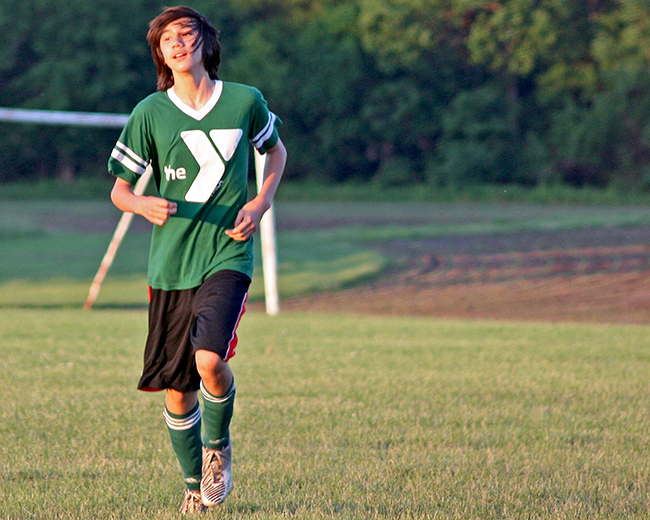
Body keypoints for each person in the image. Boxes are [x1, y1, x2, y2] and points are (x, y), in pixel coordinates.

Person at [108, 6, 286, 514]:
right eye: (168, 41)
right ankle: (193, 487)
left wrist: (259, 202)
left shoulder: (245, 101)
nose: (179, 44)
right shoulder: (149, 112)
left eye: (187, 35)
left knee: (209, 360)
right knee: (177, 389)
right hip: (170, 267)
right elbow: (120, 191)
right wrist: (141, 202)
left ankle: (217, 450)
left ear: (207, 44)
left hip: (228, 254)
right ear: (161, 56)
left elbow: (275, 155)